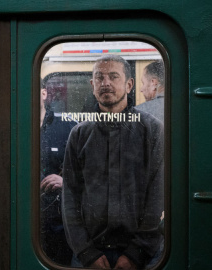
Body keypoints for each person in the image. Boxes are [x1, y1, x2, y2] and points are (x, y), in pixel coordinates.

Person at [62, 55, 164, 269]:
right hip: (89, 252)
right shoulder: (79, 133)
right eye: (99, 77)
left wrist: (136, 254)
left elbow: (158, 196)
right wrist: (86, 253)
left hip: (141, 254)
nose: (105, 82)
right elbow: (70, 197)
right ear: (92, 85)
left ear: (129, 84)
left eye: (113, 77)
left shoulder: (151, 130)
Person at [40, 86, 77, 265]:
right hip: (25, 214)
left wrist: (66, 182)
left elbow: (85, 169)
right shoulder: (15, 127)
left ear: (44, 93)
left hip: (59, 217)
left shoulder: (66, 126)